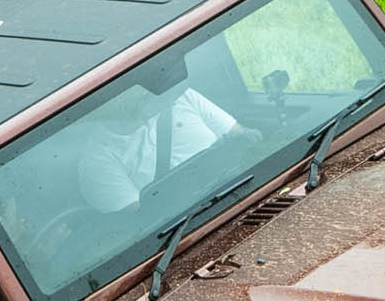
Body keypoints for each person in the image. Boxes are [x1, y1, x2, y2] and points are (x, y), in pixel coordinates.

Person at [78, 83, 261, 213]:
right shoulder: (97, 161)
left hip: (247, 192)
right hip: (190, 230)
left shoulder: (182, 97)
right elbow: (142, 222)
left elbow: (243, 140)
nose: (127, 90)